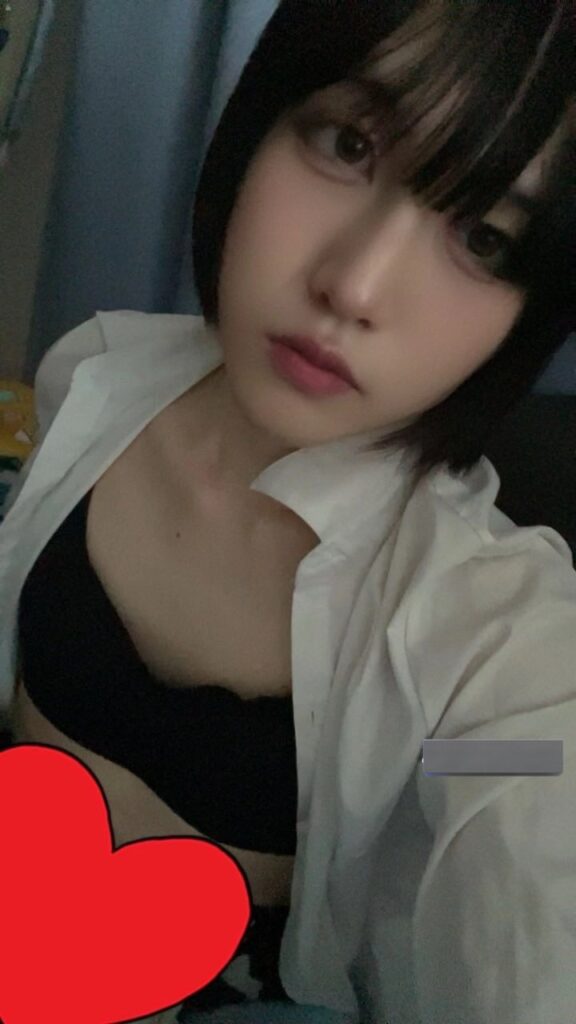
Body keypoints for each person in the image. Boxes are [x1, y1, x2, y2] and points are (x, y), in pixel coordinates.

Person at [1, 0, 575, 1021]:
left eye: (484, 238)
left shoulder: (486, 640)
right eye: (349, 145)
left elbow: (527, 782)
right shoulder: (93, 376)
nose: (355, 285)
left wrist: (482, 768)